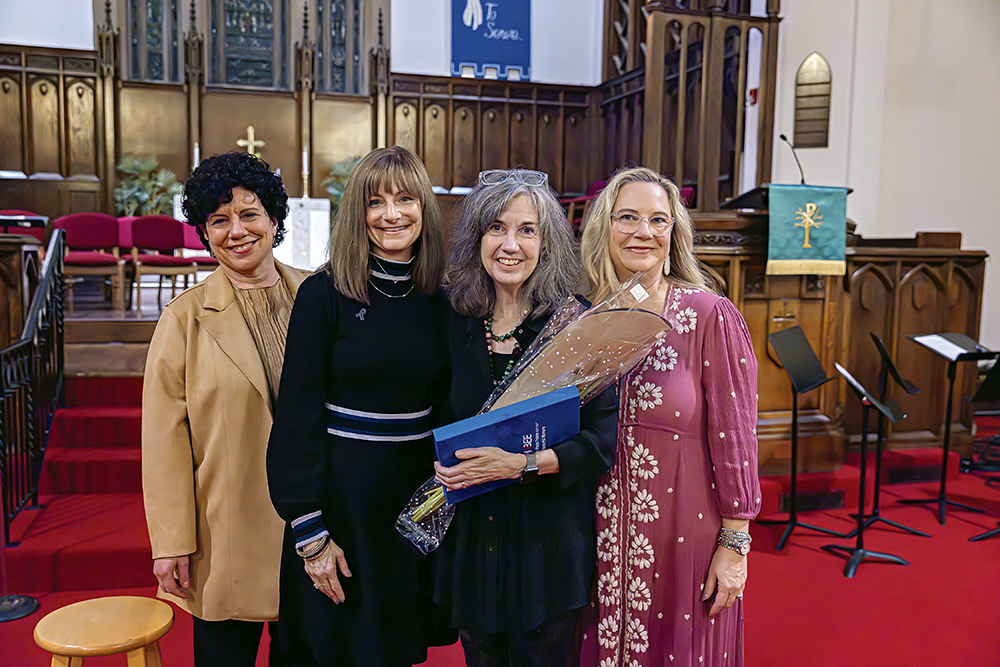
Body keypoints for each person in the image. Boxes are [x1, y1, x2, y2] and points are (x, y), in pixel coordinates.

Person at [266, 146, 456, 666]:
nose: (391, 214)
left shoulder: (443, 301)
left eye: (405, 199)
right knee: (328, 648)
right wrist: (309, 531)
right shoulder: (322, 294)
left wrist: (436, 508)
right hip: (338, 504)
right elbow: (296, 418)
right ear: (359, 213)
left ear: (424, 208)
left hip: (408, 506)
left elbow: (447, 411)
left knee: (389, 649)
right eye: (376, 202)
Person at [433, 169, 618, 666]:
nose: (509, 244)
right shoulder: (456, 322)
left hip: (548, 545)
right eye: (496, 227)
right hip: (475, 540)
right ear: (476, 239)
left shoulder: (576, 326)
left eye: (527, 230)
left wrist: (521, 464)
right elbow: (433, 413)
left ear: (548, 241)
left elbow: (602, 441)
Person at [578, 166, 762, 667]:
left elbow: (737, 438)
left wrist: (735, 544)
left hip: (687, 537)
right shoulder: (580, 318)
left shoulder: (707, 314)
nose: (643, 232)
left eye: (658, 220)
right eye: (628, 218)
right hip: (596, 538)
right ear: (604, 228)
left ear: (674, 231)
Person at [142, 151, 307, 666]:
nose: (237, 230)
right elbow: (164, 440)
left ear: (274, 219)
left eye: (249, 213)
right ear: (204, 232)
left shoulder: (318, 297)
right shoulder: (183, 319)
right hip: (225, 534)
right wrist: (171, 541)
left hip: (313, 532)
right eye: (219, 219)